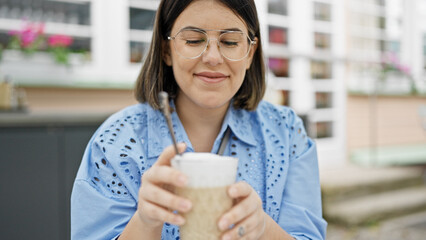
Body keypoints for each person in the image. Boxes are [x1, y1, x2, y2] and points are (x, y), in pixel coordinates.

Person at [71, 0, 327, 239]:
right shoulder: (115, 144)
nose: (213, 58)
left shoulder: (287, 132)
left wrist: (262, 228)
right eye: (194, 40)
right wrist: (146, 223)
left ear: (250, 53)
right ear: (166, 50)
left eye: (229, 42)